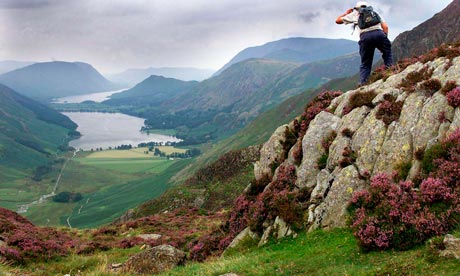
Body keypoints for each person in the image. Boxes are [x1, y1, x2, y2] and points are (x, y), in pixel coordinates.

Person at [336, 1, 393, 85]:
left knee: (366, 63)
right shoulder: (374, 12)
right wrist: (384, 42)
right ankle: (391, 73)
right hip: (379, 34)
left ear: (356, 8)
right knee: (387, 54)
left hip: (365, 37)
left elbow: (337, 21)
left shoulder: (355, 14)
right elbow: (385, 27)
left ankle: (363, 84)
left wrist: (345, 13)